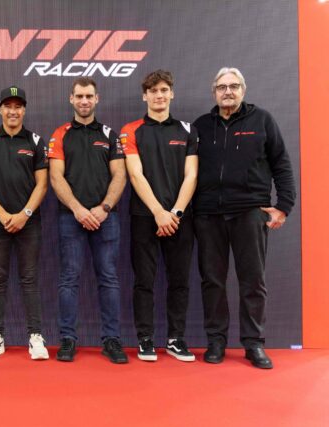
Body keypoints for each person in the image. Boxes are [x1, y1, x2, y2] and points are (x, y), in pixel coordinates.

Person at [193, 67, 296, 369]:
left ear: (243, 90)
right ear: (214, 92)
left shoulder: (262, 120)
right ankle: (216, 341)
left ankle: (254, 344)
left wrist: (284, 206)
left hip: (250, 212)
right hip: (208, 214)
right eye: (222, 87)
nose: (228, 91)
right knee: (212, 281)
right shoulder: (201, 126)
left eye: (234, 86)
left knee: (253, 280)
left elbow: (281, 164)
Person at [120, 70, 198, 362]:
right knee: (144, 280)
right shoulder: (131, 130)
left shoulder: (188, 130)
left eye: (164, 90)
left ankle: (176, 339)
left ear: (172, 93)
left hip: (180, 218)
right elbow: (135, 174)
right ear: (145, 96)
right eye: (153, 91)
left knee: (179, 281)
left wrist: (174, 213)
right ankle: (145, 339)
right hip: (144, 216)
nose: (159, 95)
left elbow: (191, 175)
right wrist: (157, 212)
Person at [49, 77, 128, 364]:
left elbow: (120, 175)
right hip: (71, 218)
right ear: (71, 99)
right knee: (69, 278)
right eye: (79, 96)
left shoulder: (109, 135)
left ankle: (111, 340)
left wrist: (104, 208)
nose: (84, 101)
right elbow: (55, 176)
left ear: (97, 99)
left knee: (108, 278)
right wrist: (78, 209)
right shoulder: (60, 134)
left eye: (89, 96)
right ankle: (68, 339)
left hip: (106, 218)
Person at [0, 86, 49, 360]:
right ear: (0, 110)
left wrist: (24, 214)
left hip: (29, 222)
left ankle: (35, 336)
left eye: (18, 107)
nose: (13, 111)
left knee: (29, 279)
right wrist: (2, 214)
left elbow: (42, 184)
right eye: (8, 106)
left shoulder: (36, 141)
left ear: (24, 110)